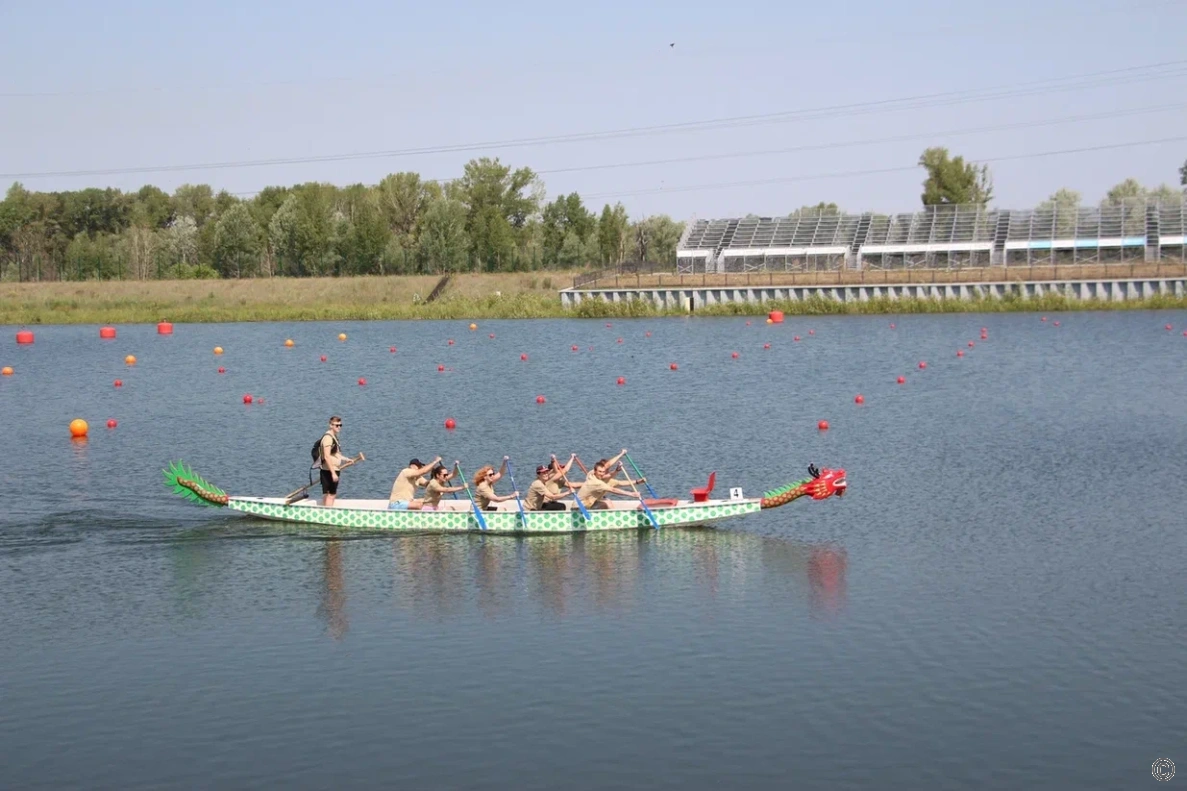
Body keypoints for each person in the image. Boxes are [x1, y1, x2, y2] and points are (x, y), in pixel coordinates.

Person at [577, 457, 647, 510]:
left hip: (591, 503)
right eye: (600, 471)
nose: (602, 473)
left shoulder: (608, 480)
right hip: (582, 506)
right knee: (607, 502)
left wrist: (638, 481)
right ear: (595, 471)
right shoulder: (593, 478)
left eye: (604, 471)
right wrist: (631, 494)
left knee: (607, 501)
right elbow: (613, 490)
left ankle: (608, 517)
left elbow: (622, 483)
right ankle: (613, 518)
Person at [318, 416, 345, 507]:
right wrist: (333, 473)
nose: (339, 427)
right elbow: (326, 456)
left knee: (328, 493)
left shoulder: (334, 437)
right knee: (331, 494)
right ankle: (328, 514)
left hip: (331, 469)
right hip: (329, 470)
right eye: (337, 425)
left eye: (340, 425)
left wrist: (347, 459)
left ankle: (325, 511)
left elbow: (335, 454)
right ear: (331, 425)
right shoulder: (328, 438)